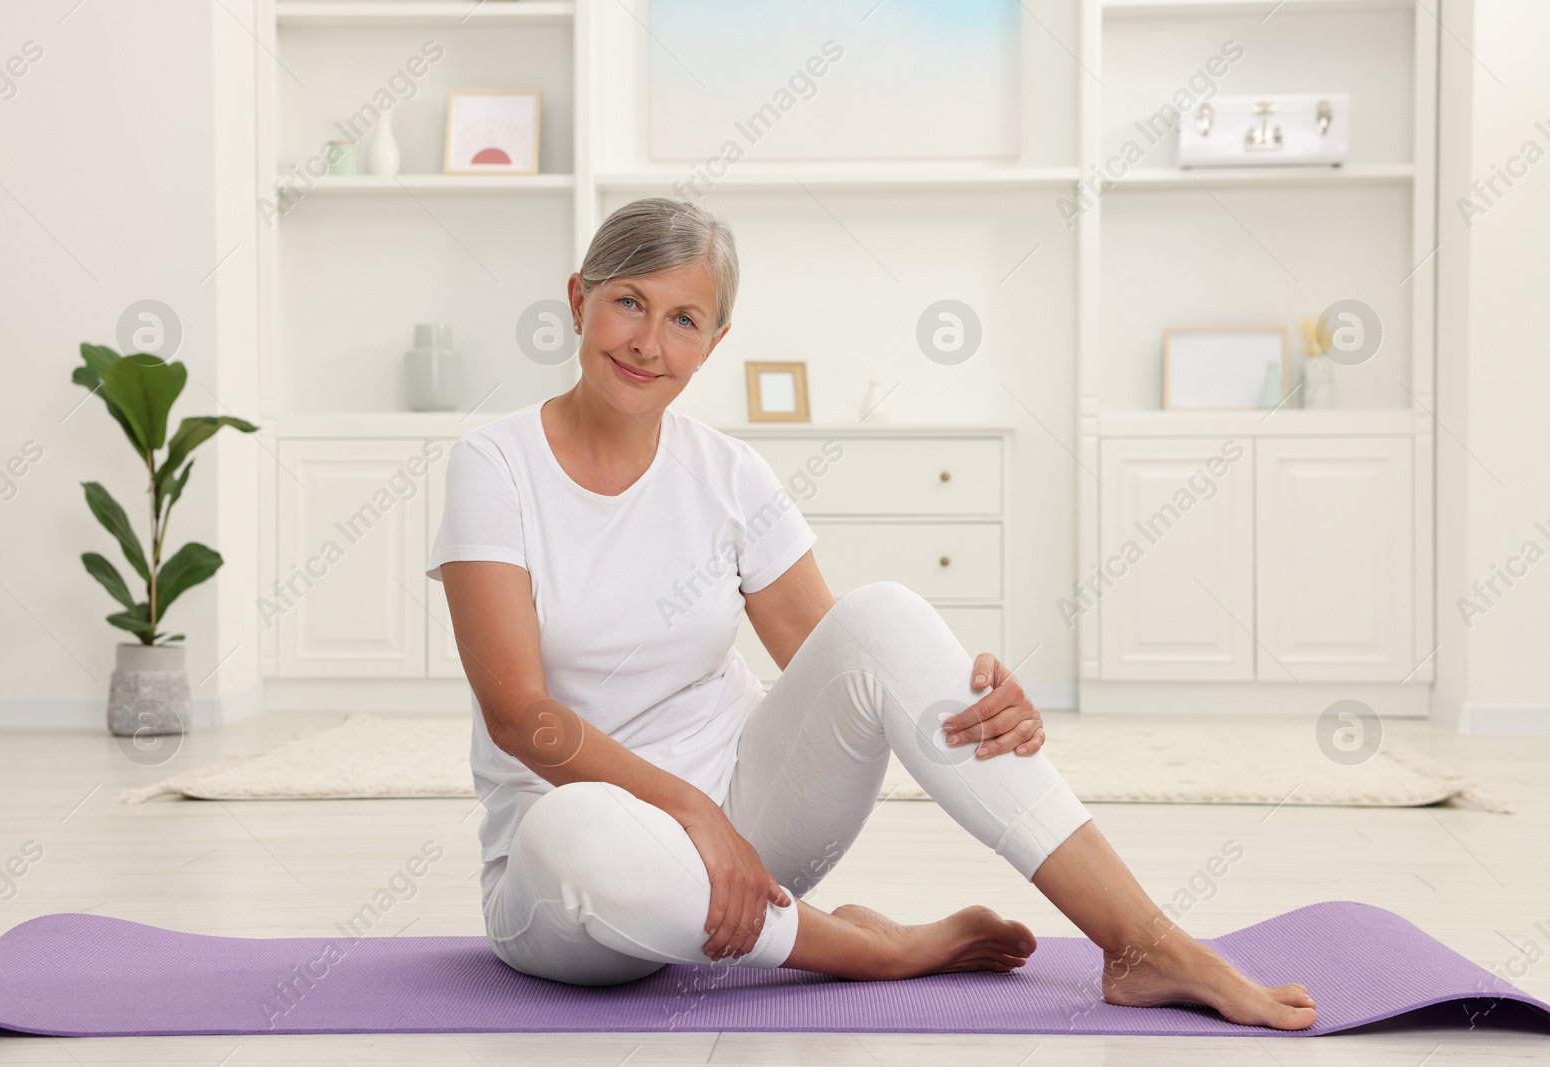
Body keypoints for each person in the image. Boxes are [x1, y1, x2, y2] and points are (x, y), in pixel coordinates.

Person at [426, 197, 1317, 1030]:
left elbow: (845, 664)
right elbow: (520, 715)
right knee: (572, 832)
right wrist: (690, 813)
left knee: (884, 612)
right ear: (579, 301)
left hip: (749, 843)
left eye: (683, 320)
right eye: (628, 303)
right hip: (575, 881)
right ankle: (865, 947)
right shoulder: (495, 466)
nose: (648, 342)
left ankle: (1146, 943)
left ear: (715, 340)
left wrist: (979, 701)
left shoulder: (730, 474)